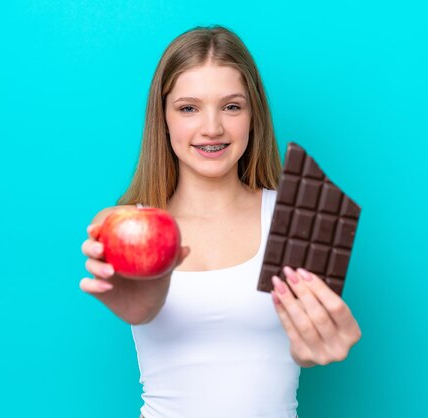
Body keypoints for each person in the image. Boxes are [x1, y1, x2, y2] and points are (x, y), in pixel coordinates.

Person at [80, 25, 362, 418]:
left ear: (253, 115)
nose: (212, 128)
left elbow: (310, 346)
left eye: (231, 106)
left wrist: (313, 348)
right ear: (163, 118)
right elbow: (139, 309)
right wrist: (144, 300)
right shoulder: (128, 224)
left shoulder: (297, 218)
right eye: (188, 107)